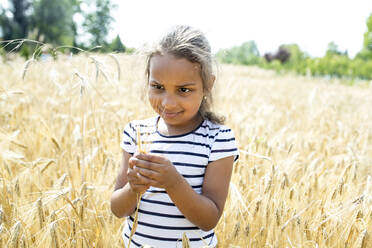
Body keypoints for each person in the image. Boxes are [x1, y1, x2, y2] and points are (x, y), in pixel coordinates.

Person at [110, 25, 239, 248]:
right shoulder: (136, 132)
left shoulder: (218, 139)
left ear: (207, 85)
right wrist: (133, 189)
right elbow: (117, 209)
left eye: (184, 90)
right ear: (148, 80)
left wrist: (173, 182)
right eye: (158, 87)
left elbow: (209, 220)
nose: (168, 103)